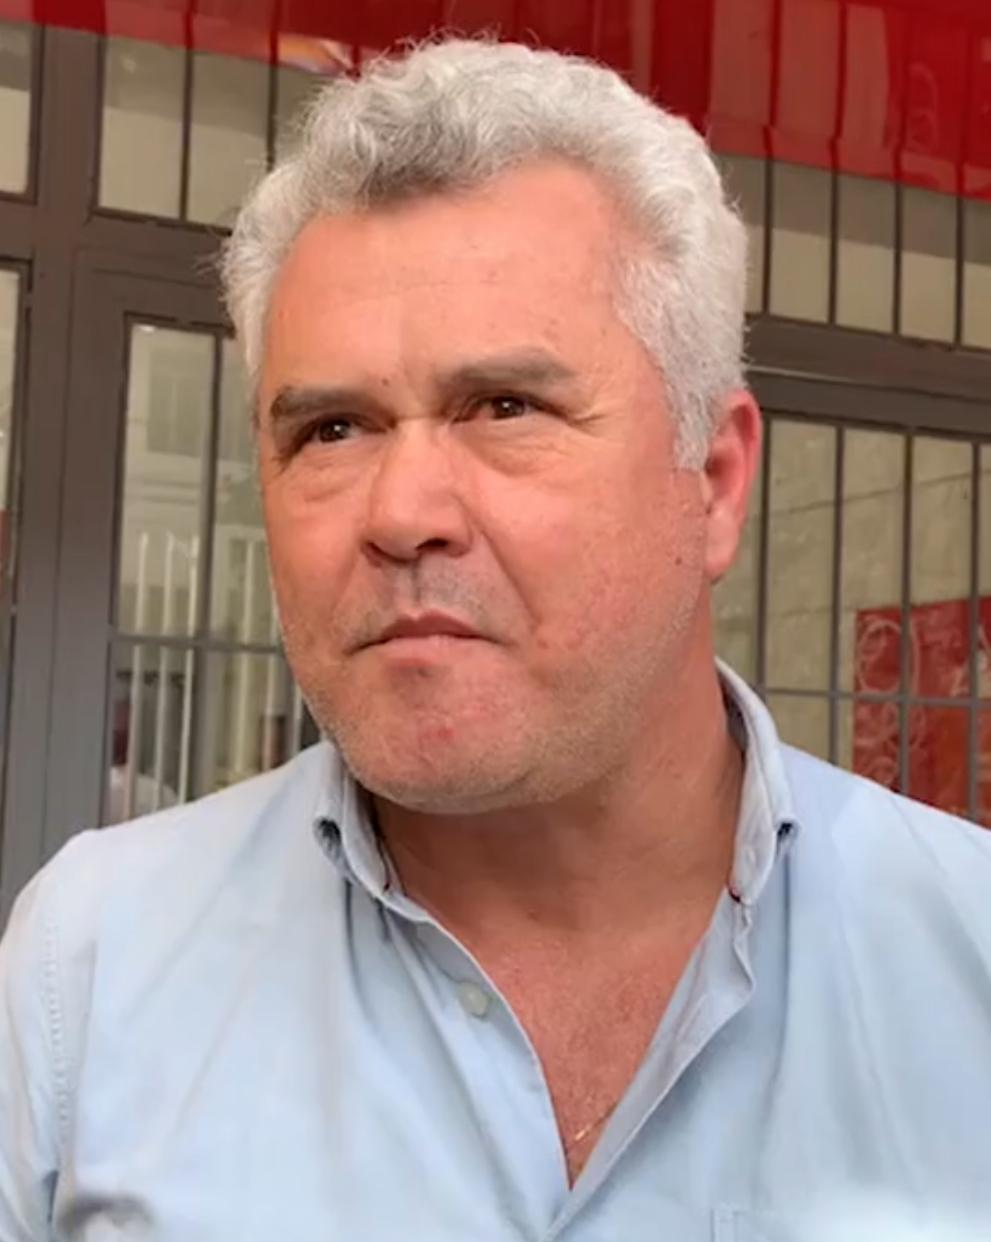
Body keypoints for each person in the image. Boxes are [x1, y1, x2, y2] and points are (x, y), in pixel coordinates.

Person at [2, 37, 991, 1242]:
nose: (403, 513)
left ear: (715, 480)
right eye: (331, 429)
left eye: (506, 407)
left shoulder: (965, 956)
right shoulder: (91, 965)